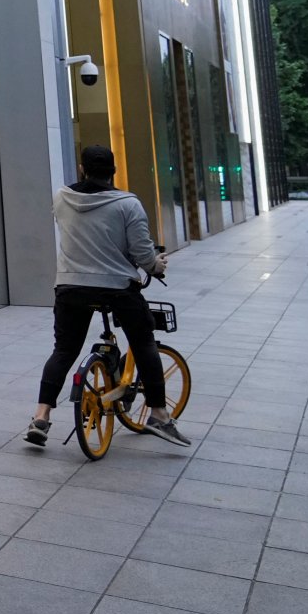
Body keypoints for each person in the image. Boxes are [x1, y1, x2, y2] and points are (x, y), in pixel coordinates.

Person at [25, 144, 190, 448]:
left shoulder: (61, 197)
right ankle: (158, 415)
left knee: (64, 350)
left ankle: (41, 417)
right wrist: (156, 265)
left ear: (82, 169)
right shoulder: (128, 204)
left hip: (70, 287)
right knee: (143, 343)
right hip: (117, 288)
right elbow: (142, 252)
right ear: (113, 171)